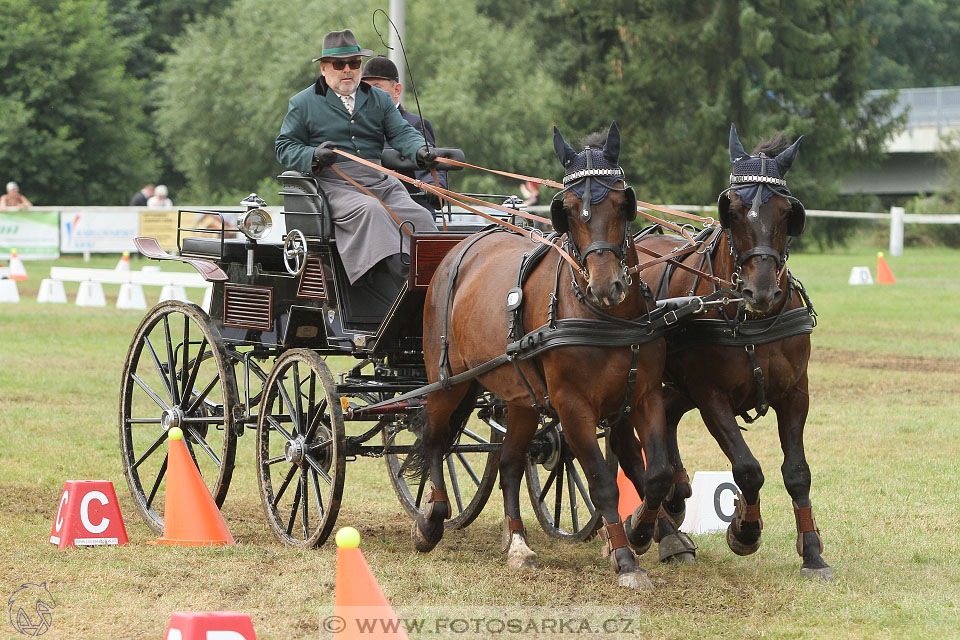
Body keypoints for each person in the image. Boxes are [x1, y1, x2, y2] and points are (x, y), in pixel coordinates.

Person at [275, 29, 441, 292]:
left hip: (380, 181)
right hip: (334, 184)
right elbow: (284, 148)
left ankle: (436, 284)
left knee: (418, 216)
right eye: (339, 64)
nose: (347, 70)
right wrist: (314, 155)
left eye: (354, 63)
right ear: (324, 68)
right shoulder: (303, 103)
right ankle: (405, 287)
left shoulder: (379, 98)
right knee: (371, 210)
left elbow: (401, 132)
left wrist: (421, 150)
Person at [361, 55, 447, 211]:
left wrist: (434, 188)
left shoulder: (414, 124)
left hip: (407, 212)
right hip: (368, 208)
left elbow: (428, 167)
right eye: (365, 88)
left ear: (397, 90)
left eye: (377, 87)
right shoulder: (358, 126)